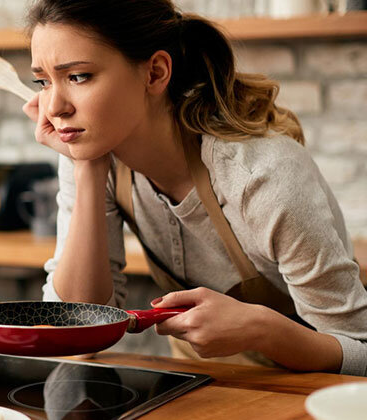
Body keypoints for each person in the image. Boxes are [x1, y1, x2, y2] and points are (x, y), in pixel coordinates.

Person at [22, 0, 367, 376]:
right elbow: (75, 332)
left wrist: (260, 329)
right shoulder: (93, 152)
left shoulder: (262, 176)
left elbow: (359, 354)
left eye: (78, 76)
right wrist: (86, 169)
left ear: (154, 73)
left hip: (296, 391)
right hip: (197, 385)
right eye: (43, 81)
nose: (54, 106)